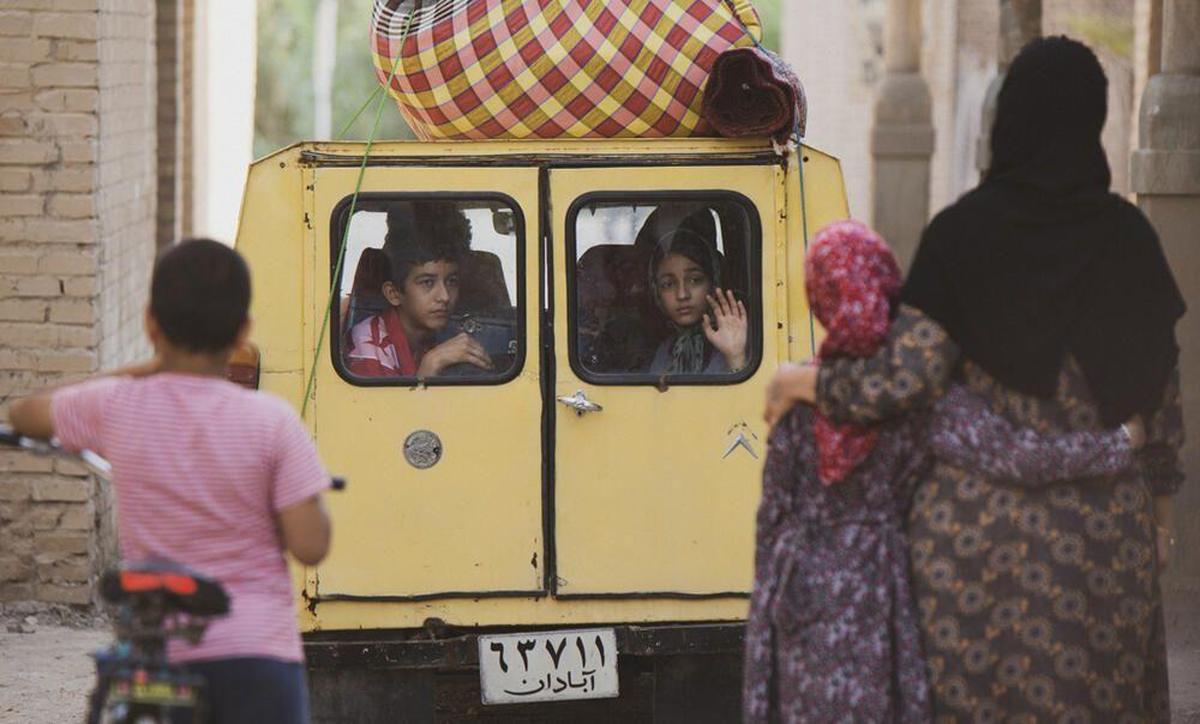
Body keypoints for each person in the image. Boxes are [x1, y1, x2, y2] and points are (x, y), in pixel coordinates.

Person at [766, 37, 1185, 720]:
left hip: (971, 546)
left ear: (1005, 123)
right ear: (1093, 121)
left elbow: (902, 380)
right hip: (1101, 540)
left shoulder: (962, 235)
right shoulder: (1129, 239)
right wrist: (1159, 521)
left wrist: (804, 384)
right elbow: (1161, 405)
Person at [743, 220, 1145, 723]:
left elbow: (772, 515)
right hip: (877, 584)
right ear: (887, 283)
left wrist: (762, 628)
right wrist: (1118, 443)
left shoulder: (794, 393)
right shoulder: (915, 394)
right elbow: (1017, 455)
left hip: (797, 580)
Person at [7, 239, 333, 723]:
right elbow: (310, 545)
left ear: (150, 324)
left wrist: (141, 370)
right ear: (244, 331)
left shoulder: (117, 405)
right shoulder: (272, 422)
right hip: (256, 654)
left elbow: (22, 414)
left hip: (162, 660)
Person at [345, 202, 493, 379]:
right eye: (427, 283)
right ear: (394, 294)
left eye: (452, 281)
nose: (444, 297)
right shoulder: (368, 348)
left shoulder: (449, 336)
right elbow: (376, 407)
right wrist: (429, 368)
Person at [647, 226, 748, 375]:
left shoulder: (739, 338)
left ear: (713, 284)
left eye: (695, 280)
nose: (682, 295)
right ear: (657, 292)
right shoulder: (664, 352)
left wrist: (735, 356)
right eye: (668, 284)